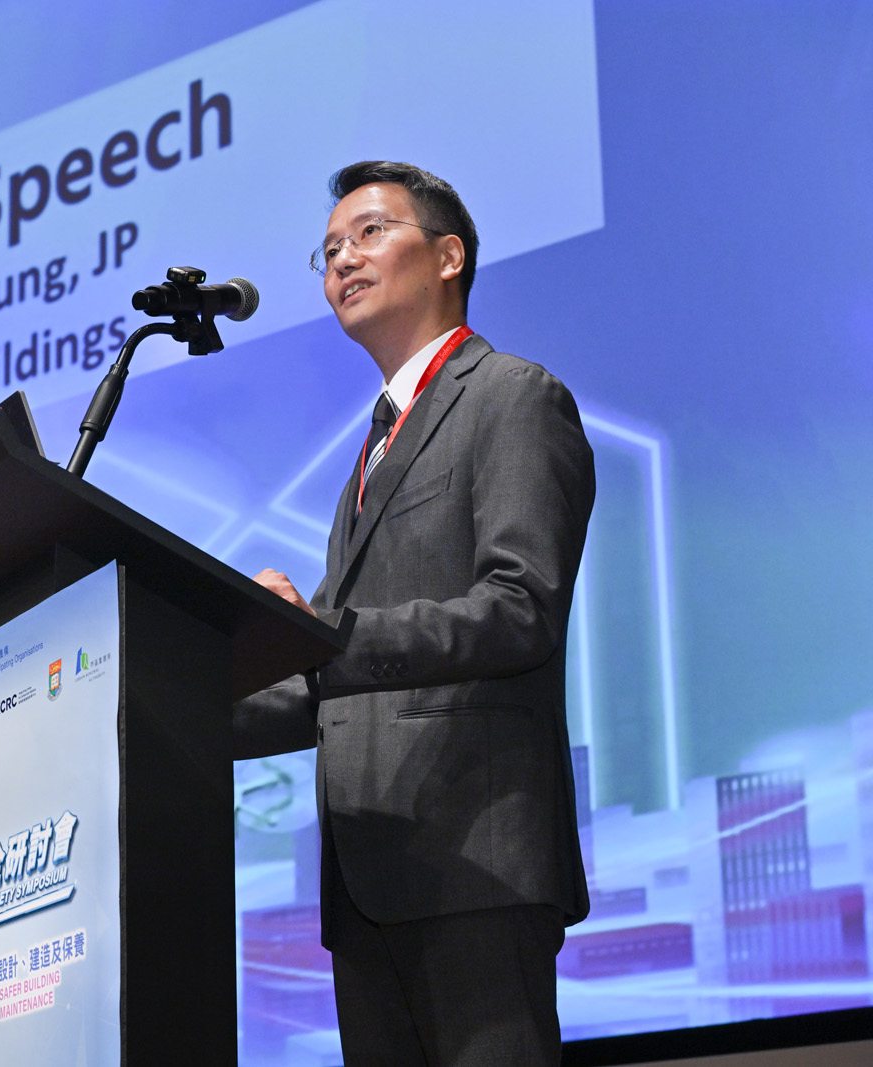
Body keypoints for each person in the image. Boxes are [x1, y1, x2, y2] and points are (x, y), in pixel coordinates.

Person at [235, 161, 595, 1065]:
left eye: (367, 233)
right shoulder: (369, 455)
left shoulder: (512, 395)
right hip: (367, 887)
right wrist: (178, 708)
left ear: (448, 256)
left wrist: (320, 638)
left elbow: (520, 609)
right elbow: (330, 684)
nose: (341, 261)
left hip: (477, 863)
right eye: (326, 251)